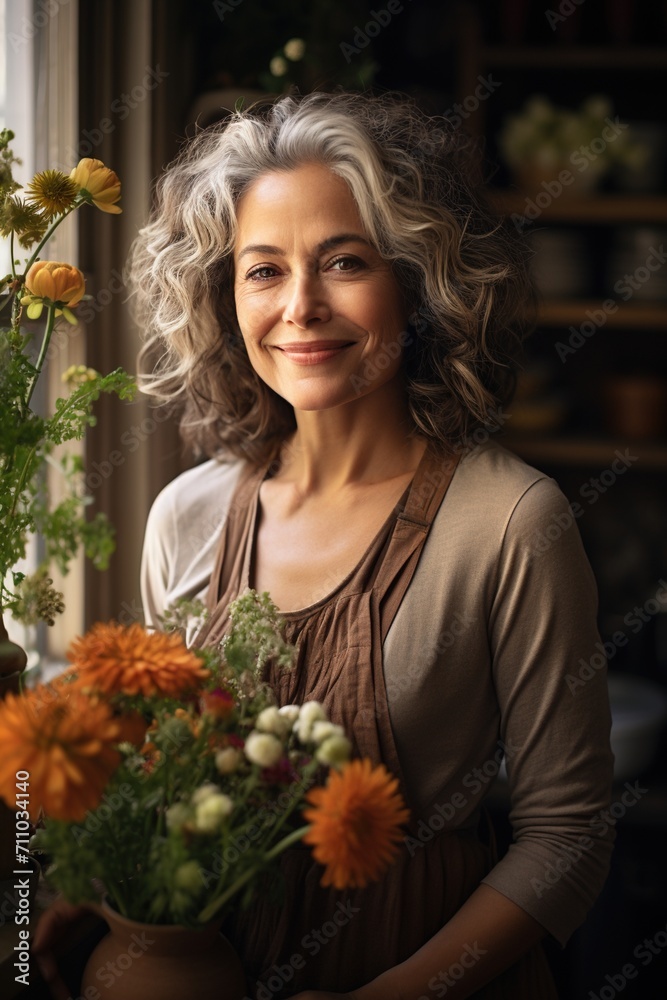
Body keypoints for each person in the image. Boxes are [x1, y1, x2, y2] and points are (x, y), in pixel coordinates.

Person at [38, 91, 615, 1000]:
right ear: (226, 301)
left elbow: (568, 835)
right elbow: (170, 788)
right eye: (262, 271)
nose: (301, 307)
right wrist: (93, 891)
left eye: (343, 262)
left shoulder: (510, 523)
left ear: (417, 284)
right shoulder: (184, 517)